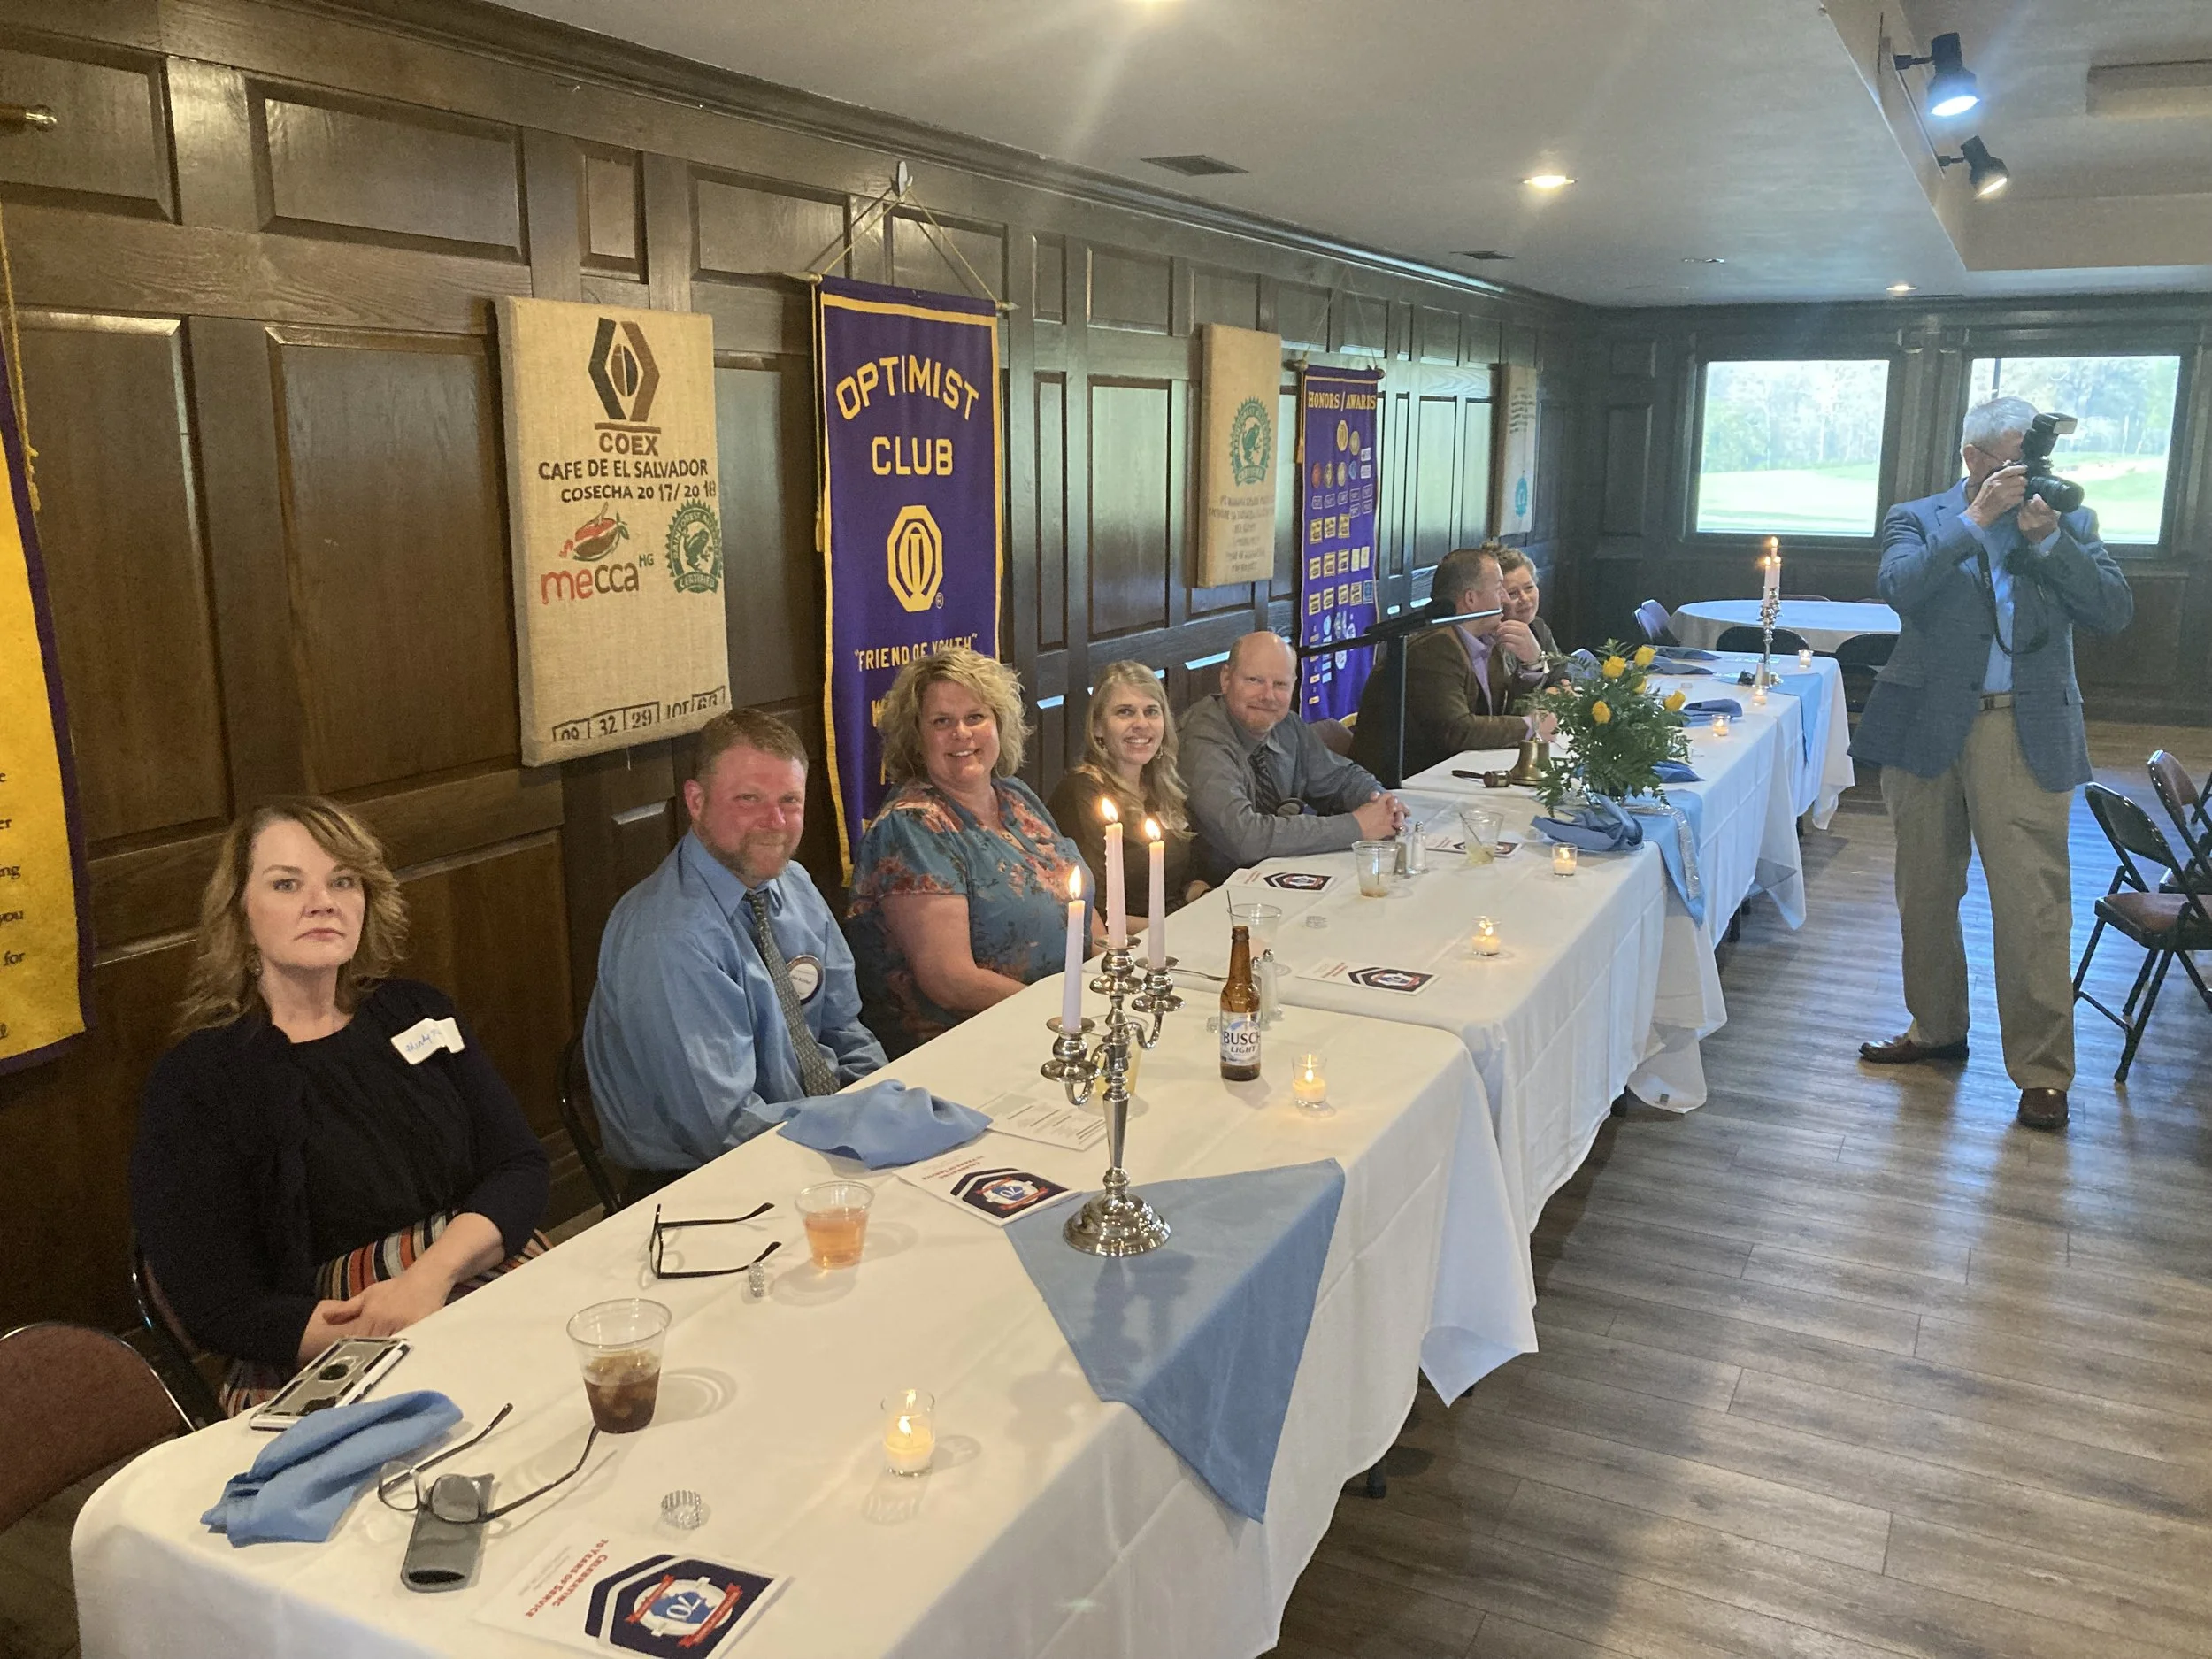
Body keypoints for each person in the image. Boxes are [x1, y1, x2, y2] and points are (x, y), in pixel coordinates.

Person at [131, 799, 550, 1414]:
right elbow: (216, 1303)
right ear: (242, 917)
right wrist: (381, 1326)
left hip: (465, 1273)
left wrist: (428, 1279)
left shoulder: (418, 1011)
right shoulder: (197, 1080)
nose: (322, 900)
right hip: (327, 1342)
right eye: (286, 883)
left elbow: (520, 1165)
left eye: (342, 879)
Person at [1851, 396, 2133, 1132]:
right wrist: (1973, 521)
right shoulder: (1918, 516)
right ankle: (1936, 1029)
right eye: (2014, 460)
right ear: (1975, 459)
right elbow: (1900, 588)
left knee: (2032, 906)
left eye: (2035, 461)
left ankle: (2042, 1072)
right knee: (1926, 890)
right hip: (1926, 729)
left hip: (2023, 729)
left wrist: (2050, 546)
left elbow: (2113, 611)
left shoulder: (2067, 519)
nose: (2030, 474)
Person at [585, 710, 885, 1182]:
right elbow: (724, 1130)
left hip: (819, 1130)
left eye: (791, 800)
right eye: (749, 800)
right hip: (704, 1180)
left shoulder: (796, 884)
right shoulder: (669, 936)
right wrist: (854, 1132)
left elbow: (845, 1029)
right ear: (697, 801)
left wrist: (885, 1107)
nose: (776, 822)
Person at [847, 647, 1093, 1056]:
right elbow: (950, 980)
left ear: (999, 724)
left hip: (1065, 1022)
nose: (962, 733)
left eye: (975, 717)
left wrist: (1115, 973)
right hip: (970, 1048)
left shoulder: (1016, 796)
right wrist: (1064, 1013)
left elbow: (1078, 904)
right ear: (916, 736)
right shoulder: (912, 827)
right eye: (942, 722)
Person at [1182, 631, 1407, 883]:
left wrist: (1381, 803)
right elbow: (1245, 839)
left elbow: (1342, 778)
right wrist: (1356, 827)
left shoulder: (1285, 724)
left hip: (1282, 877)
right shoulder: (1202, 739)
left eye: (1280, 684)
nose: (1268, 696)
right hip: (1216, 891)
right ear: (1226, 679)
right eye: (1255, 680)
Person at [1349, 545, 1561, 782]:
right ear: (1471, 599)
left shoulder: (1488, 640)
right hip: (1402, 789)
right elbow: (1457, 731)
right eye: (1498, 588)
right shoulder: (1434, 648)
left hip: (1455, 776)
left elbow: (1502, 715)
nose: (1505, 598)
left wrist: (1531, 665)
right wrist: (1530, 726)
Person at [1048, 661, 1206, 926]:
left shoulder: (1161, 784)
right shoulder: (1082, 793)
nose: (1141, 724)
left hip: (1176, 926)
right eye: (1125, 712)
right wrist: (1175, 928)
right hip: (1126, 943)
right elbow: (1095, 912)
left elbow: (1190, 877)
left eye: (1151, 712)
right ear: (1098, 727)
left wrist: (1207, 899)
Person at [1496, 545, 1563, 672]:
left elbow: (1561, 677)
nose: (1525, 598)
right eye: (1513, 593)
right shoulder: (1493, 640)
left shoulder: (1538, 627)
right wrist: (1534, 661)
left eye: (1529, 588)